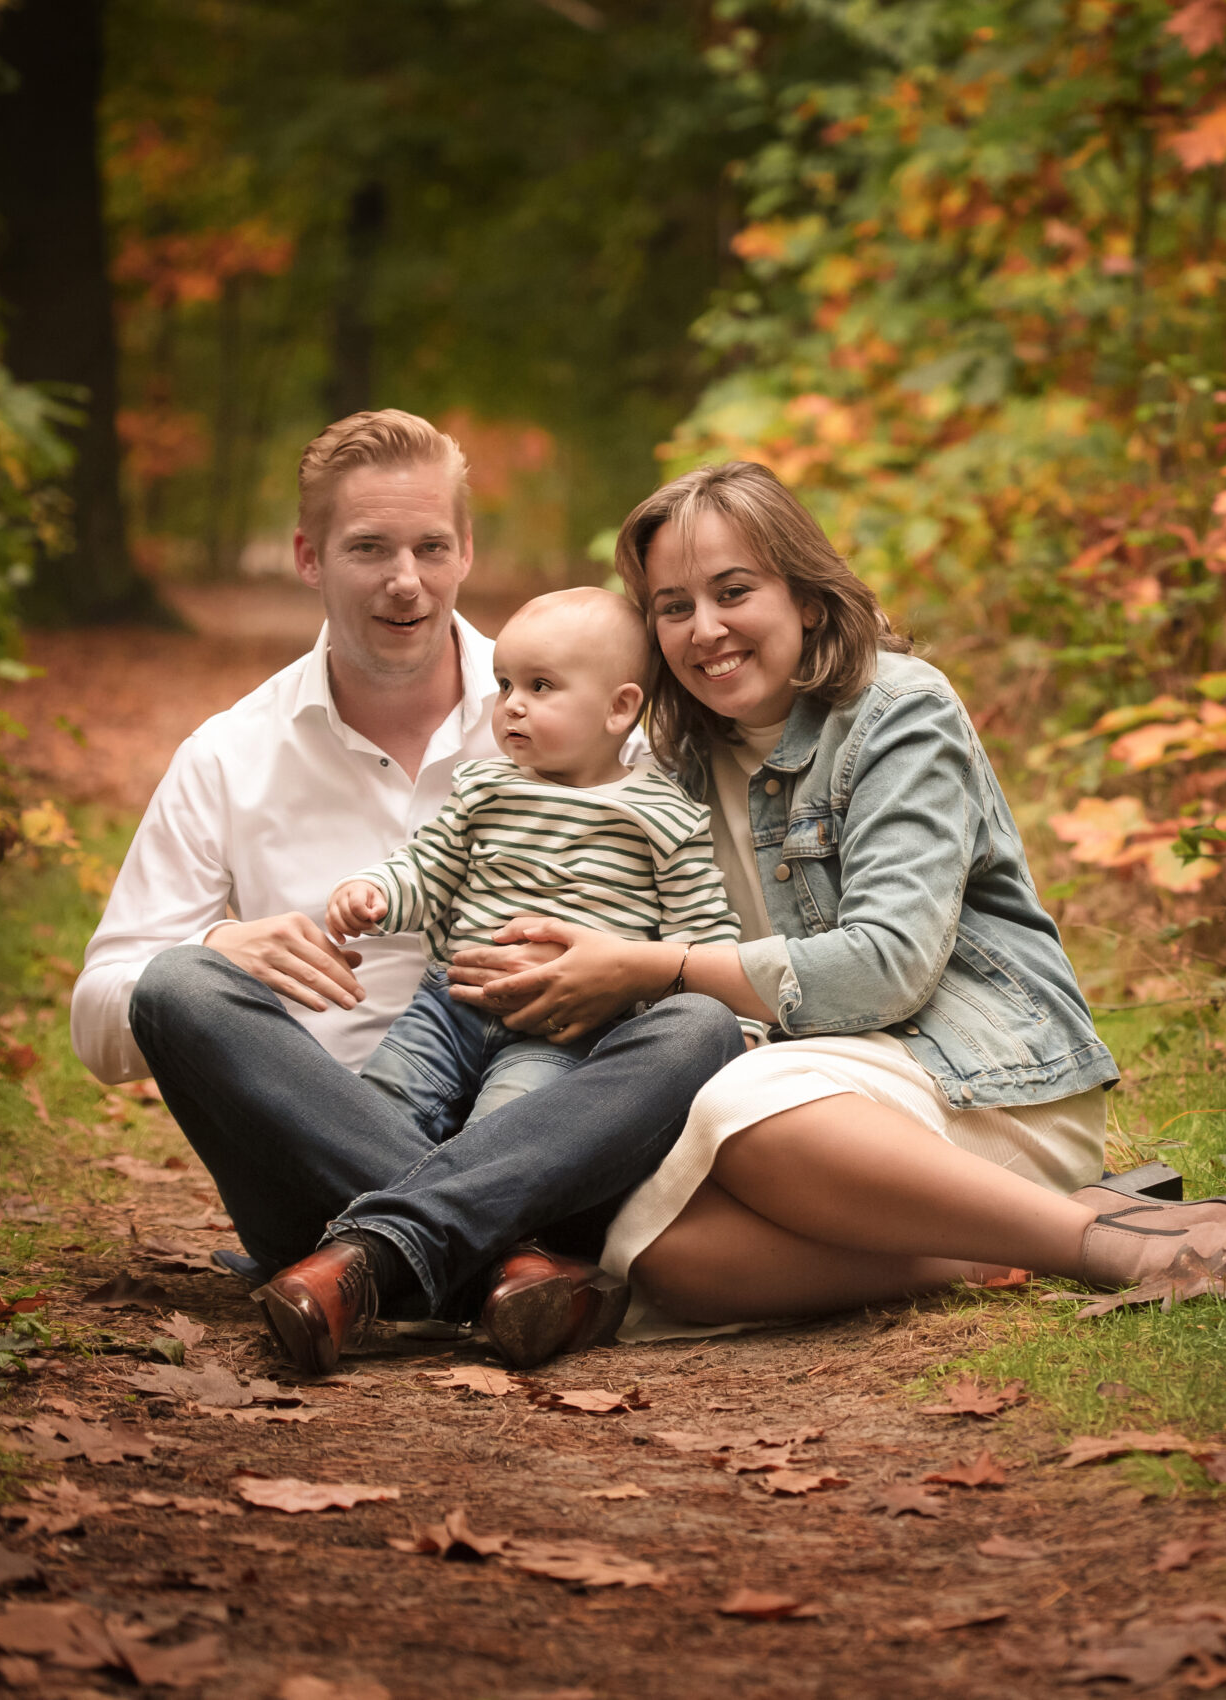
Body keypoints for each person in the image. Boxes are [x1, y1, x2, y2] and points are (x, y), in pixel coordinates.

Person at [444, 461, 1226, 1331]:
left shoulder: (898, 711)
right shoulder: (675, 759)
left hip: (973, 1080)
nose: (706, 630)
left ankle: (1107, 1250)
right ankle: (1000, 1250)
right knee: (652, 1251)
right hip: (808, 1113)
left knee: (738, 1105)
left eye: (734, 591)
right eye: (674, 607)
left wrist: (654, 969)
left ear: (806, 599)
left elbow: (889, 969)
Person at [71, 411, 744, 1375]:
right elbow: (99, 1022)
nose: (406, 580)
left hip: (546, 1133)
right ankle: (505, 1267)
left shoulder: (589, 719)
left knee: (699, 1029)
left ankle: (375, 1260)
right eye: (369, 549)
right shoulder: (228, 757)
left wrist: (632, 978)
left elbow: (691, 931)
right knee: (175, 983)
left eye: (432, 546)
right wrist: (220, 951)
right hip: (315, 1164)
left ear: (465, 551)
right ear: (309, 557)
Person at [327, 585, 764, 1145]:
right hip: (450, 1005)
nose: (511, 703)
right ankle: (364, 1216)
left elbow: (699, 934)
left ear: (619, 707)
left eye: (541, 686)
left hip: (565, 1029)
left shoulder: (662, 816)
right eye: (505, 683)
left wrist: (741, 1029)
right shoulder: (483, 787)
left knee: (507, 1131)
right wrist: (377, 892)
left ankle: (471, 1219)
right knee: (378, 1109)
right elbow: (428, 866)